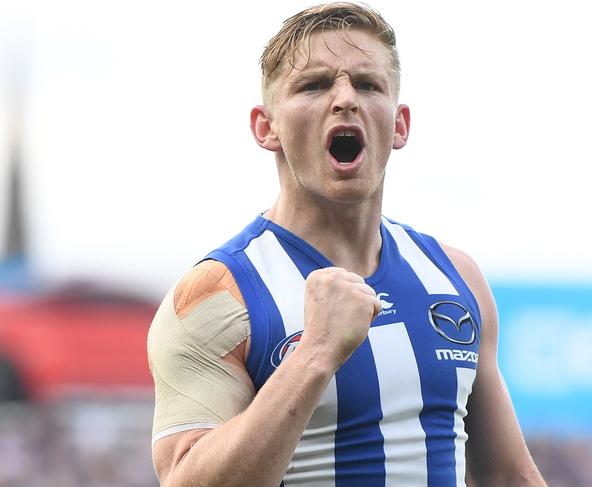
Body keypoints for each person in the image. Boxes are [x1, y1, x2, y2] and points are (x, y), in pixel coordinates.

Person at [147, 3, 546, 486]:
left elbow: (508, 476)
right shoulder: (215, 296)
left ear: (399, 125)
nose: (344, 99)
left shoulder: (455, 275)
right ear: (265, 126)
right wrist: (314, 354)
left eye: (367, 84)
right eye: (314, 85)